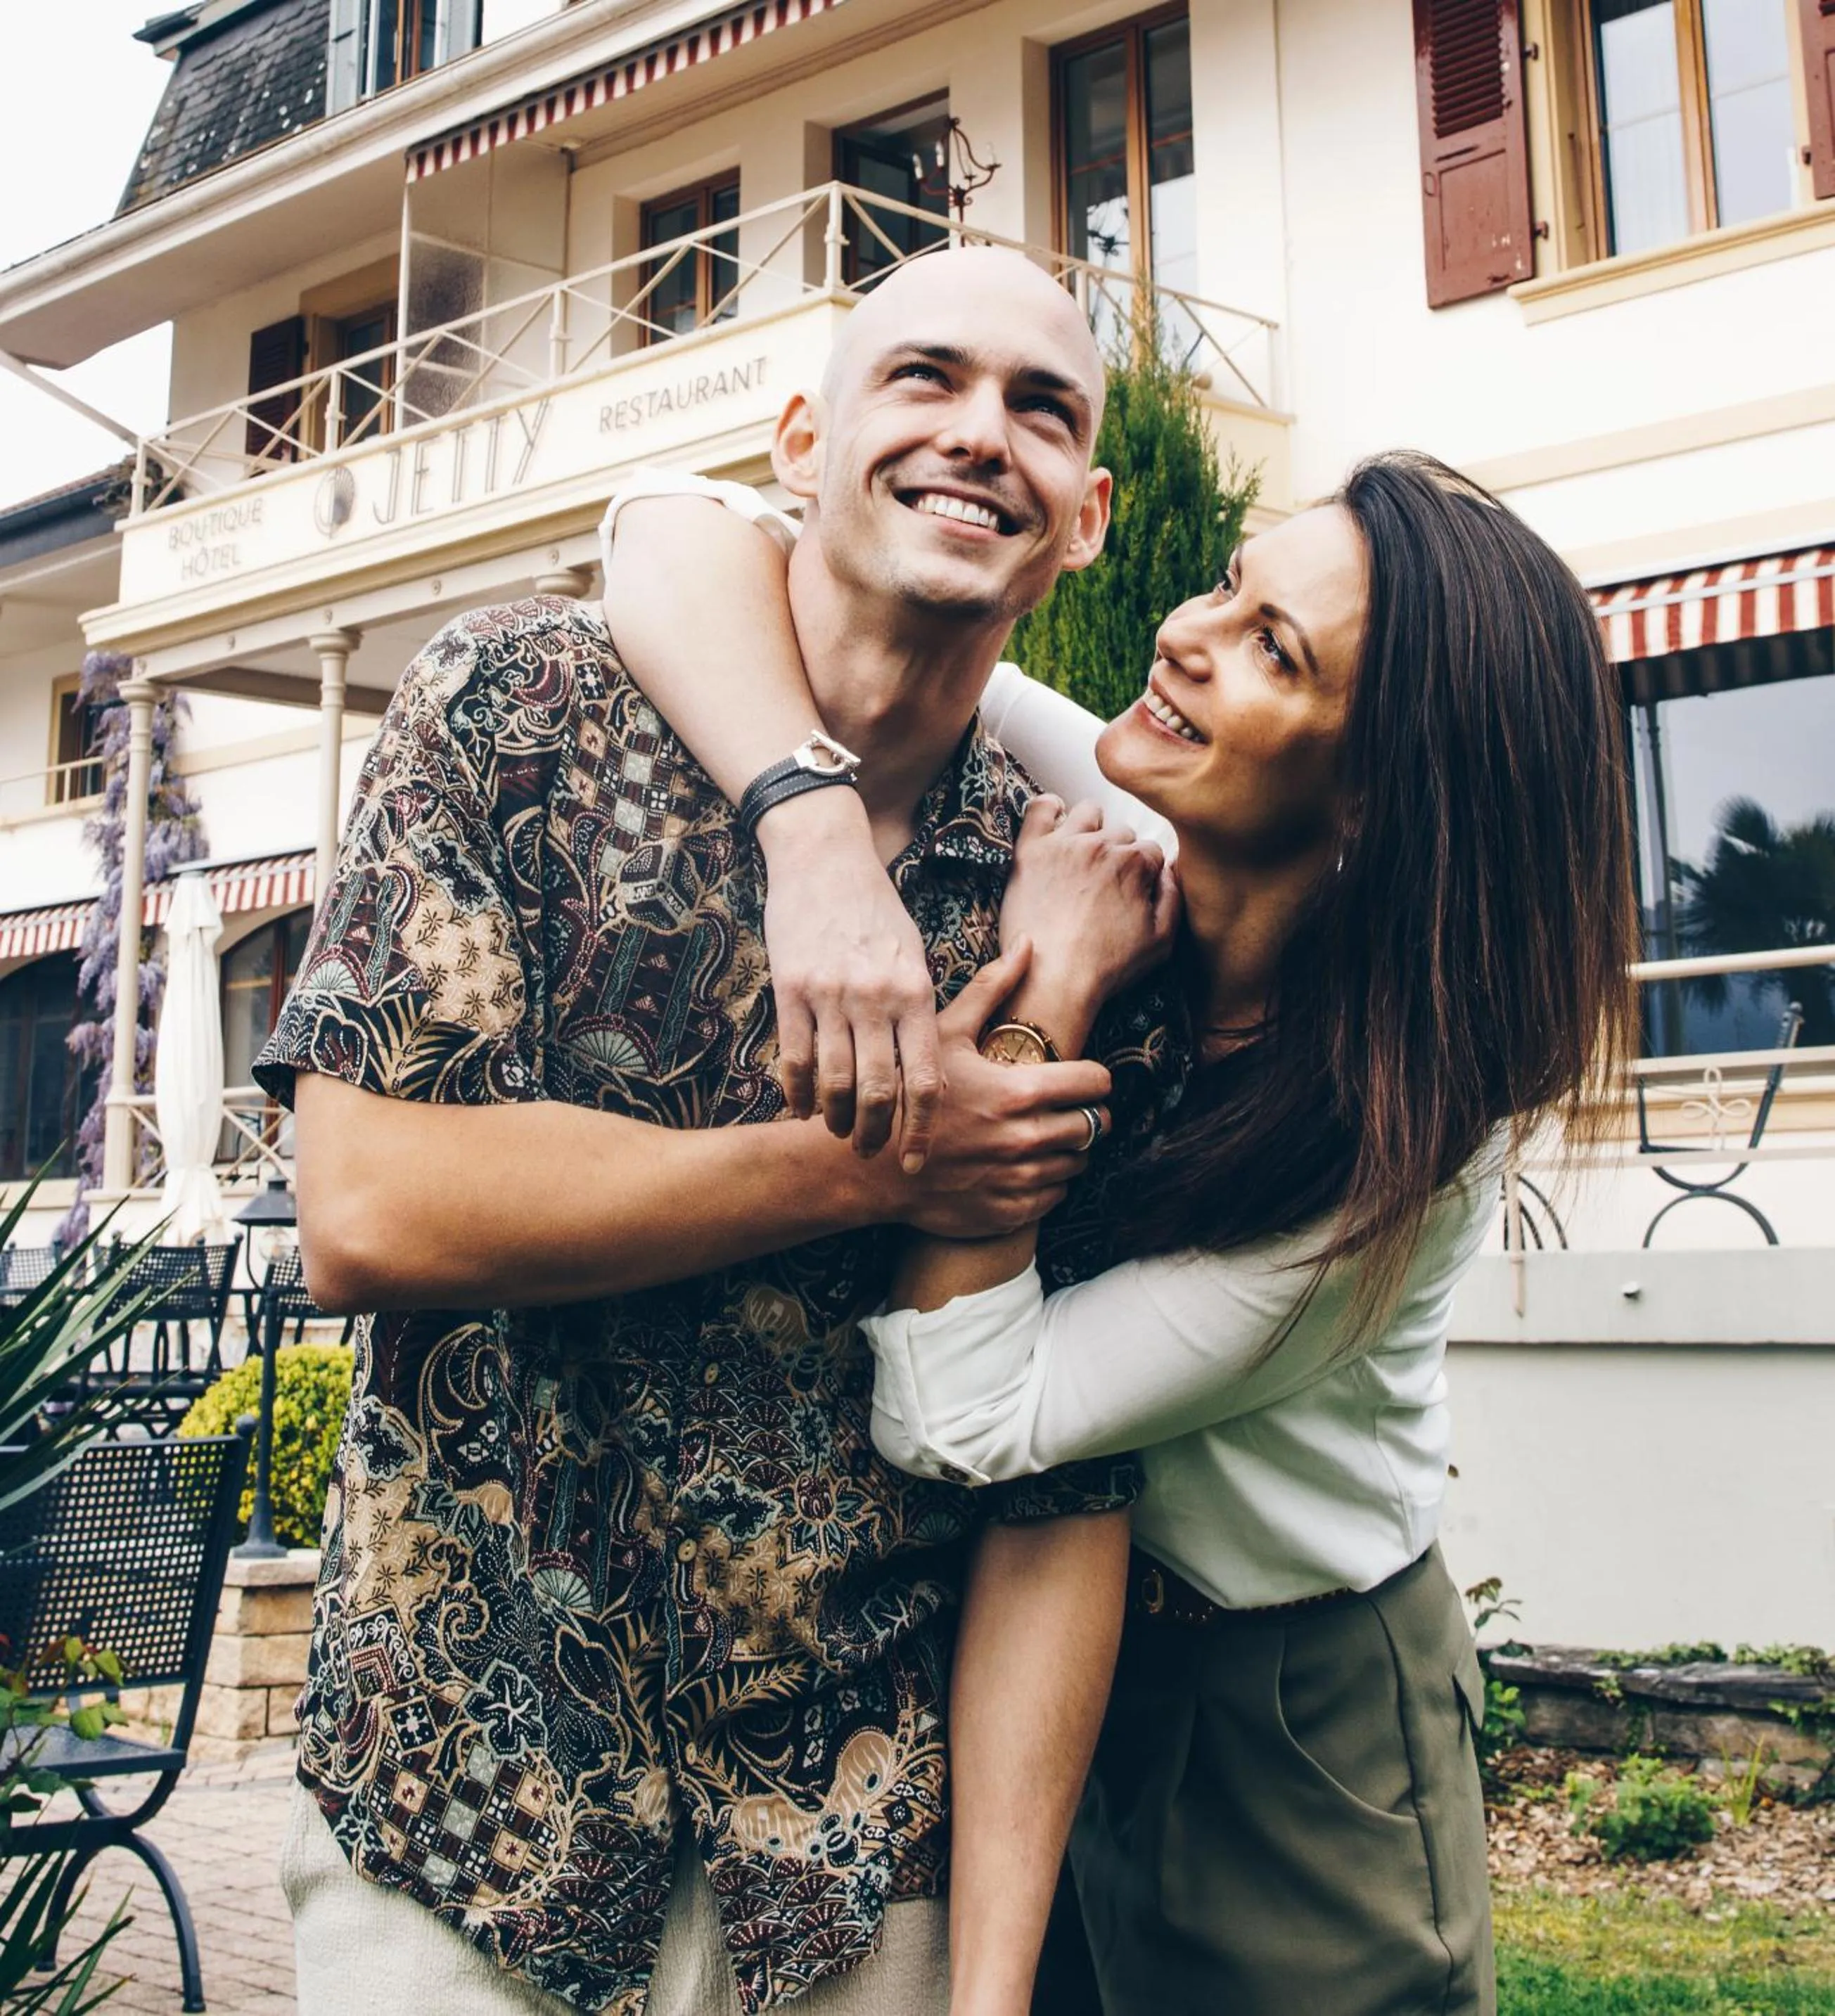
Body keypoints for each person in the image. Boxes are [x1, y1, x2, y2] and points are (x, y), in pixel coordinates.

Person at [255, 248, 1185, 2016]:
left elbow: (1056, 1472)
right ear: (797, 441)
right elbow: (370, 1205)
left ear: (1085, 514)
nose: (981, 434)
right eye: (924, 380)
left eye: (1039, 410)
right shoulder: (509, 710)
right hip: (460, 1816)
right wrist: (878, 1161)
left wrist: (986, 1985)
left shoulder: (1078, 909)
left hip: (852, 1873)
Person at [598, 445, 1641, 2015]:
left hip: (1285, 1707)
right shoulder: (1141, 805)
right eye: (1230, 580)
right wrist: (808, 828)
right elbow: (679, 518)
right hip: (1034, 1675)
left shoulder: (1385, 1155)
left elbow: (966, 1414)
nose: (1183, 631)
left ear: (1378, 789)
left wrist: (1045, 997)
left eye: (1270, 647)